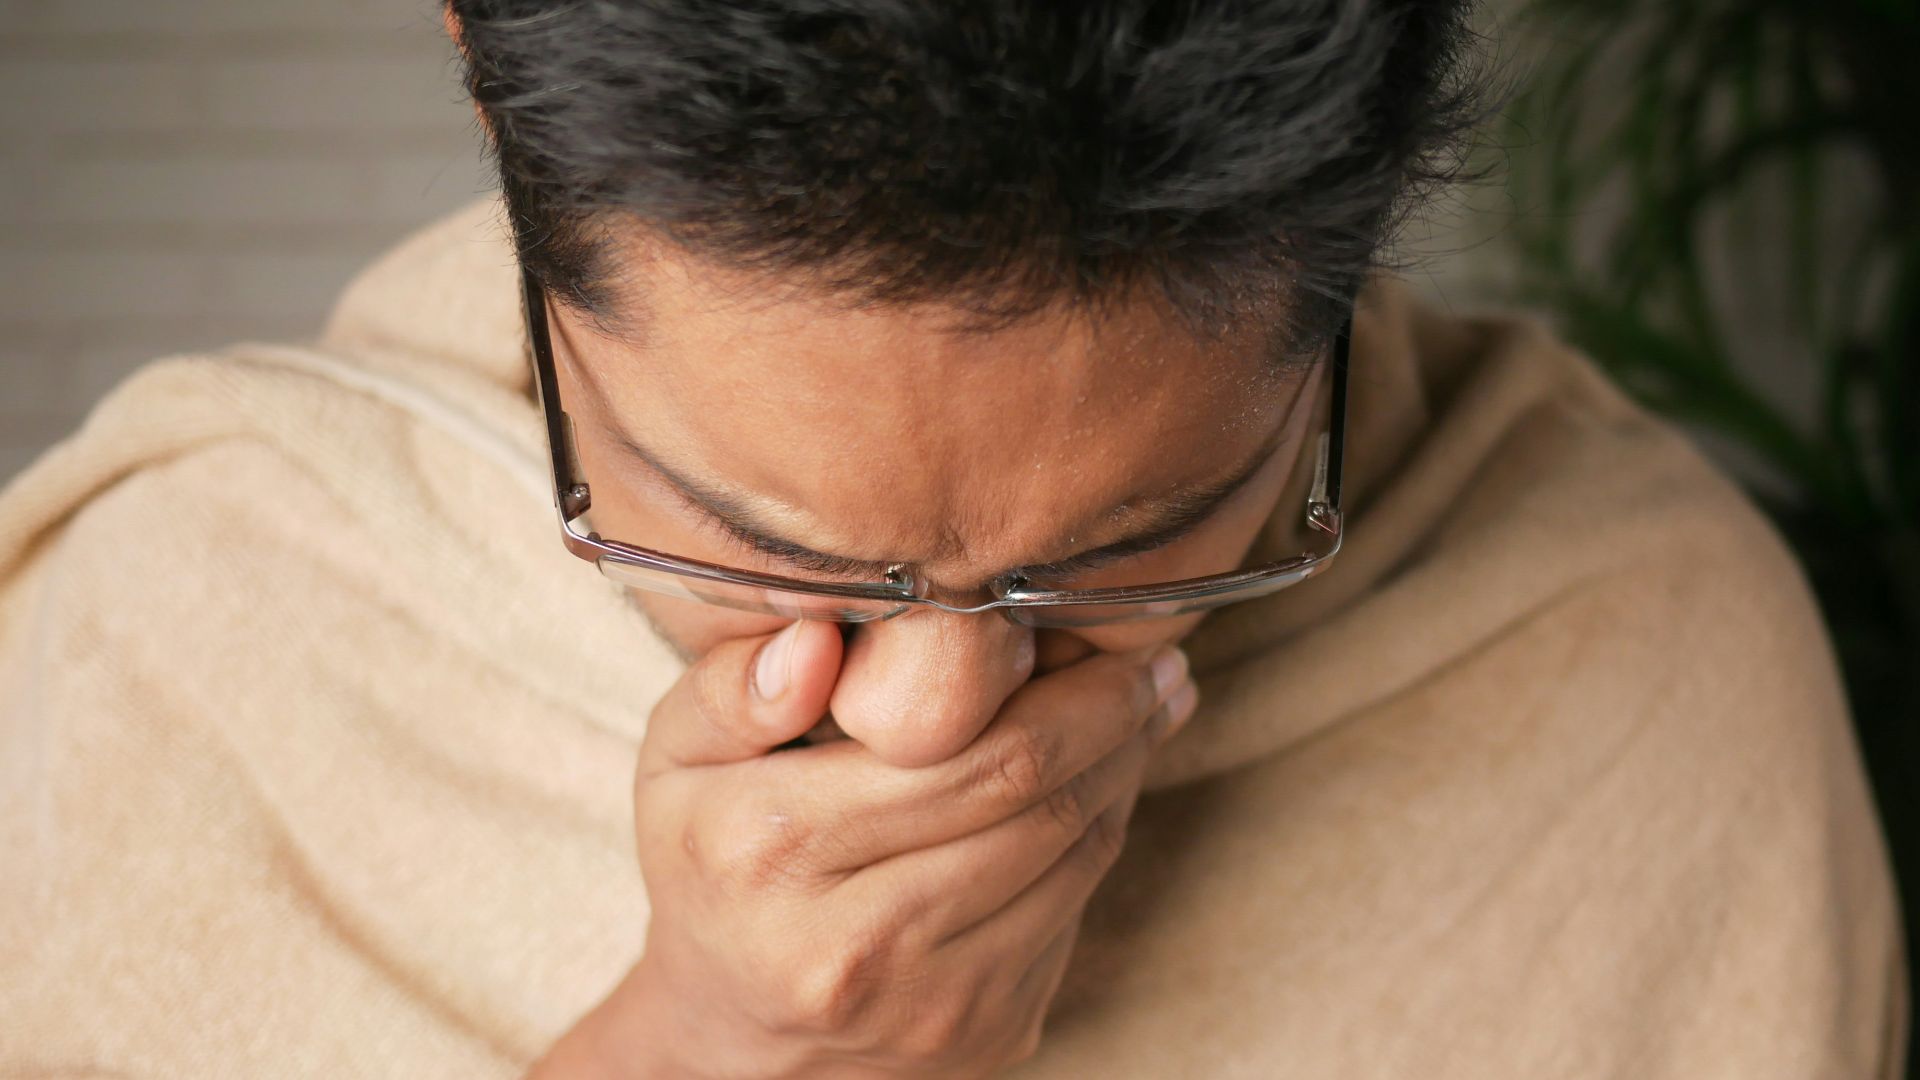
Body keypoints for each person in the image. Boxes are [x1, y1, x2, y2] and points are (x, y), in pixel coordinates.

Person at [0, 1, 1905, 1077]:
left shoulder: (1652, 673)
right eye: (747, 541)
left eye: (1162, 537)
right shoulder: (159, 648)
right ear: (486, 90)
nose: (936, 719)